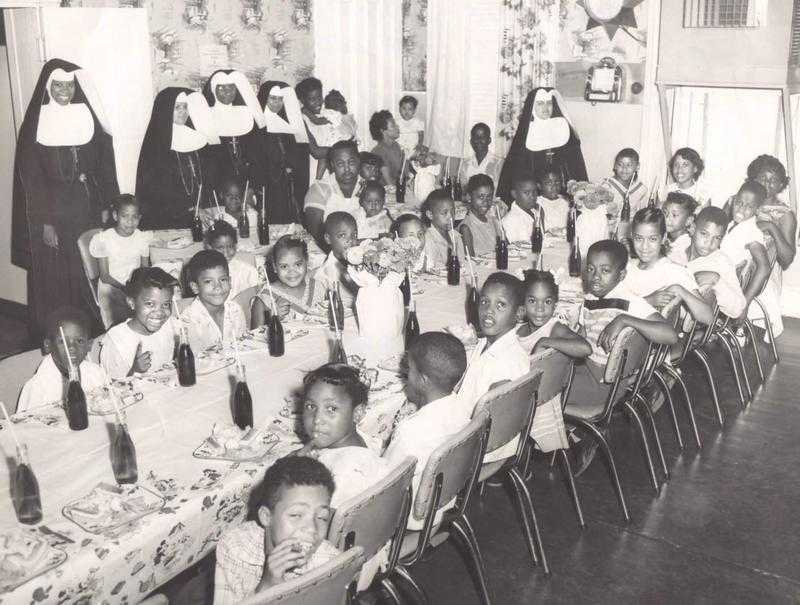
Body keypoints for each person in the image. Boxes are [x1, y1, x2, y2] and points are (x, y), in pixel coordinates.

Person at [12, 59, 119, 340]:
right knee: (59, 272)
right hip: (54, 211)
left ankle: (93, 326)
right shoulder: (37, 123)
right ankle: (59, 333)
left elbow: (104, 162)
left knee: (89, 264)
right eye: (58, 85)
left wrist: (109, 203)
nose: (64, 90)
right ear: (49, 88)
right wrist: (45, 223)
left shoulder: (86, 115)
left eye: (69, 85)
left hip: (86, 206)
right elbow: (32, 180)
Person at [567, 240, 677, 473]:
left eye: (605, 271)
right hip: (601, 378)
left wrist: (626, 319)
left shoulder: (629, 303)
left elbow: (670, 334)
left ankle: (577, 435)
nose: (595, 277)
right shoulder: (594, 298)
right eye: (591, 269)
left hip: (601, 385)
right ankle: (578, 432)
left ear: (622, 274)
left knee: (537, 391)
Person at [213, 456, 340, 604]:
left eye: (322, 517)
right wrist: (266, 587)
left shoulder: (330, 565)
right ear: (266, 517)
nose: (312, 529)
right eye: (296, 515)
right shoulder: (235, 547)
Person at [383, 331, 468, 529]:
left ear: (423, 379)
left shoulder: (410, 431)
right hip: (445, 498)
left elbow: (383, 482)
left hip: (410, 515)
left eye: (409, 370)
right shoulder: (463, 408)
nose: (406, 374)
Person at [456, 272, 530, 462]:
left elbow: (485, 425)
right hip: (484, 440)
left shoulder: (506, 363)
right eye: (484, 302)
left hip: (477, 450)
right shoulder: (486, 343)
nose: (489, 311)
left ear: (519, 313)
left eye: (500, 305)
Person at [296, 363, 391, 507]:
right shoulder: (352, 441)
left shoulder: (343, 477)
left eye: (331, 409)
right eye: (311, 406)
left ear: (357, 413)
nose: (317, 420)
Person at [136, 87, 218, 229]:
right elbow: (155, 190)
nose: (183, 111)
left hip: (202, 214)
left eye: (185, 107)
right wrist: (189, 209)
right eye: (177, 107)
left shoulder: (197, 138)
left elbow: (205, 179)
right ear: (165, 111)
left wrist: (203, 206)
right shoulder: (156, 145)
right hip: (170, 217)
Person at [624, 208, 714, 325]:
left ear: (664, 238)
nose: (644, 247)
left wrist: (680, 289)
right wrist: (648, 300)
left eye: (652, 239)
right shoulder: (627, 267)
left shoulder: (673, 271)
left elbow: (708, 318)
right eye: (639, 238)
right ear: (632, 236)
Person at [496, 87, 587, 202]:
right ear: (533, 107)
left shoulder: (563, 127)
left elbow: (576, 166)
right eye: (540, 104)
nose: (545, 108)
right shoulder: (525, 133)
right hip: (534, 195)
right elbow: (516, 170)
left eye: (549, 103)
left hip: (562, 192)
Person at [17, 306, 108, 414]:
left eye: (79, 341)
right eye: (63, 342)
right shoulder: (37, 388)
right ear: (48, 345)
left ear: (89, 345)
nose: (72, 347)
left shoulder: (96, 373)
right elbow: (25, 427)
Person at [748, 154, 795, 340]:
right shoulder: (739, 201)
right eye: (762, 178)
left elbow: (787, 259)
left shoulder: (785, 214)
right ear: (752, 179)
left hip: (765, 269)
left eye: (774, 180)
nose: (767, 184)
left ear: (782, 184)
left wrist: (772, 227)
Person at [100, 267, 178, 379]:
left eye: (166, 304)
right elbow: (112, 388)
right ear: (132, 303)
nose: (159, 312)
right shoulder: (116, 340)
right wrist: (134, 370)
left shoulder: (170, 326)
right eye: (150, 304)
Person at [89, 194, 152, 327]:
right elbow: (105, 276)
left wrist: (137, 288)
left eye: (134, 217)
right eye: (125, 216)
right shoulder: (104, 239)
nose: (130, 221)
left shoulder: (141, 237)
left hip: (133, 287)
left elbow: (144, 269)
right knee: (120, 328)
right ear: (115, 216)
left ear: (139, 218)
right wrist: (127, 289)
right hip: (112, 288)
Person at [202, 69, 267, 189]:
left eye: (231, 88)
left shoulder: (247, 115)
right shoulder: (206, 117)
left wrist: (253, 186)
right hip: (217, 183)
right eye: (221, 88)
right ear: (213, 90)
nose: (227, 92)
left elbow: (256, 154)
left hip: (246, 182)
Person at [257, 81, 309, 224]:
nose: (277, 103)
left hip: (289, 183)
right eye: (273, 98)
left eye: (280, 99)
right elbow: (257, 158)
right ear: (264, 98)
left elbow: (299, 152)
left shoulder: (288, 122)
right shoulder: (258, 126)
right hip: (268, 184)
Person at [720, 181, 773, 321]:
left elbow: (765, 267)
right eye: (739, 203)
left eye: (749, 206)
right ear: (733, 200)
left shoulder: (750, 232)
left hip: (727, 286)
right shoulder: (733, 225)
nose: (741, 209)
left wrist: (745, 304)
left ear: (757, 210)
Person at [684, 207, 746, 319]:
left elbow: (738, 309)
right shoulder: (677, 247)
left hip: (686, 324)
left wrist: (717, 281)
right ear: (692, 229)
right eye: (704, 234)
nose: (709, 243)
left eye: (717, 238)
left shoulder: (722, 262)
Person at [181, 249, 247, 352]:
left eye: (222, 280)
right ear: (195, 287)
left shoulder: (236, 310)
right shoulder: (188, 321)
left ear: (230, 282)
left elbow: (243, 346)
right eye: (208, 282)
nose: (218, 287)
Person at [517, 270, 591, 357]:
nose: (540, 309)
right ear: (523, 303)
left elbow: (585, 348)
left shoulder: (553, 328)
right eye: (532, 301)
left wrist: (544, 342)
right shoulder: (516, 330)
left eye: (547, 302)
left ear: (555, 305)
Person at [249, 236, 320, 327]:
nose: (292, 271)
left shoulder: (318, 286)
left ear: (307, 261)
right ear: (275, 267)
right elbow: (255, 338)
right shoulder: (264, 300)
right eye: (284, 266)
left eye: (298, 264)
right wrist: (273, 319)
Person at [304, 140, 362, 249]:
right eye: (340, 164)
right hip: (326, 250)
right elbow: (316, 234)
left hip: (363, 246)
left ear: (359, 162)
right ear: (332, 165)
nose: (347, 169)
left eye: (351, 162)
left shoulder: (368, 187)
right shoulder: (318, 190)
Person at [204, 220, 259, 299]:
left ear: (236, 246)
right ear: (209, 247)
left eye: (230, 246)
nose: (226, 253)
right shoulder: (203, 273)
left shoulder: (248, 271)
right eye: (220, 248)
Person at [296, 77, 333, 182]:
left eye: (320, 97)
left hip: (334, 169)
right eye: (312, 99)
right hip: (315, 172)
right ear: (302, 100)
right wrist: (343, 149)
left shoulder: (325, 113)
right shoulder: (300, 120)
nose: (318, 102)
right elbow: (315, 152)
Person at [315, 212, 358, 299]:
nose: (350, 240)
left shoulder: (360, 260)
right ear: (328, 239)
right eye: (342, 235)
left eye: (354, 235)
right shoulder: (325, 276)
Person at [423, 189, 465, 269]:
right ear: (430, 215)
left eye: (452, 212)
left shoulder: (456, 236)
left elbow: (462, 262)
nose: (450, 217)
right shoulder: (428, 239)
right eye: (444, 213)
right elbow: (433, 268)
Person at [459, 174, 500, 256]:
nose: (486, 201)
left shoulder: (493, 220)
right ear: (469, 197)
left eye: (489, 197)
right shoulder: (466, 228)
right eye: (481, 197)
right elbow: (471, 263)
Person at [603, 148, 649, 222]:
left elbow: (642, 213)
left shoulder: (641, 189)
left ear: (637, 167)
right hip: (611, 227)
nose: (624, 168)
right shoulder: (607, 186)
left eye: (629, 165)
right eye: (620, 164)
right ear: (615, 166)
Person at [457, 123, 504, 191]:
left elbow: (500, 190)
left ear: (489, 140)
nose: (479, 140)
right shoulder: (465, 164)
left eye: (482, 137)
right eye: (476, 137)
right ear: (471, 141)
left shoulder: (499, 163)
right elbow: (464, 190)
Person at [501, 171, 543, 244]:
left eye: (535, 191)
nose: (532, 196)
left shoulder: (535, 211)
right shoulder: (510, 221)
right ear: (514, 194)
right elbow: (516, 250)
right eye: (527, 193)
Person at [369, 110, 404, 188]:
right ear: (383, 131)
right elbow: (389, 183)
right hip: (384, 192)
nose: (397, 127)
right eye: (393, 125)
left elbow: (401, 174)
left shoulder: (396, 146)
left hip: (397, 188)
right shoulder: (378, 152)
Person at [663, 192, 698, 265]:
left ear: (688, 221)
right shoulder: (666, 238)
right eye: (665, 212)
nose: (667, 218)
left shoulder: (686, 246)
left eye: (674, 215)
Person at [537, 169, 570, 234]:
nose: (554, 186)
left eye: (557, 182)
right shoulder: (536, 203)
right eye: (549, 183)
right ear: (539, 186)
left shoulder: (566, 202)